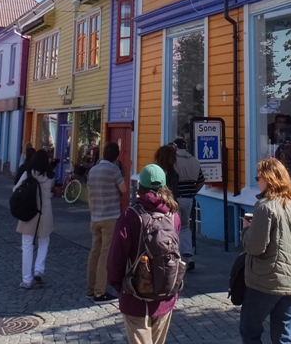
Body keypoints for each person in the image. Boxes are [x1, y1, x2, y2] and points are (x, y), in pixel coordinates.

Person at [107, 164, 182, 344]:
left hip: (135, 295)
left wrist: (119, 286)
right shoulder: (173, 216)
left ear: (140, 187)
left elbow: (116, 257)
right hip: (165, 294)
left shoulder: (131, 216)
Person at [240, 157, 291, 344]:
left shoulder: (264, 207)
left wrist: (247, 228)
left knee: (250, 330)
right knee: (283, 336)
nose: (257, 181)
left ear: (268, 179)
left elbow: (255, 247)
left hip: (265, 280)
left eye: (259, 177)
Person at [86, 141, 127, 303]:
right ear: (116, 156)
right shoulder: (113, 169)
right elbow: (123, 189)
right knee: (105, 254)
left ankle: (90, 288)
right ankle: (99, 292)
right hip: (110, 216)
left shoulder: (93, 170)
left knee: (94, 252)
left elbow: (89, 195)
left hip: (95, 216)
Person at [13, 149, 54, 289]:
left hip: (29, 212)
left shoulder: (28, 174)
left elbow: (15, 190)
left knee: (27, 245)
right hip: (45, 212)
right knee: (44, 242)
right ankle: (39, 270)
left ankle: (26, 280)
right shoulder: (50, 176)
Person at [172, 137, 204, 271]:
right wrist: (192, 192)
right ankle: (189, 256)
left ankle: (175, 257)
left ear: (175, 147)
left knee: (173, 227)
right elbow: (201, 181)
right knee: (185, 226)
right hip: (189, 198)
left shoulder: (172, 161)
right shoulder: (195, 161)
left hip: (175, 197)